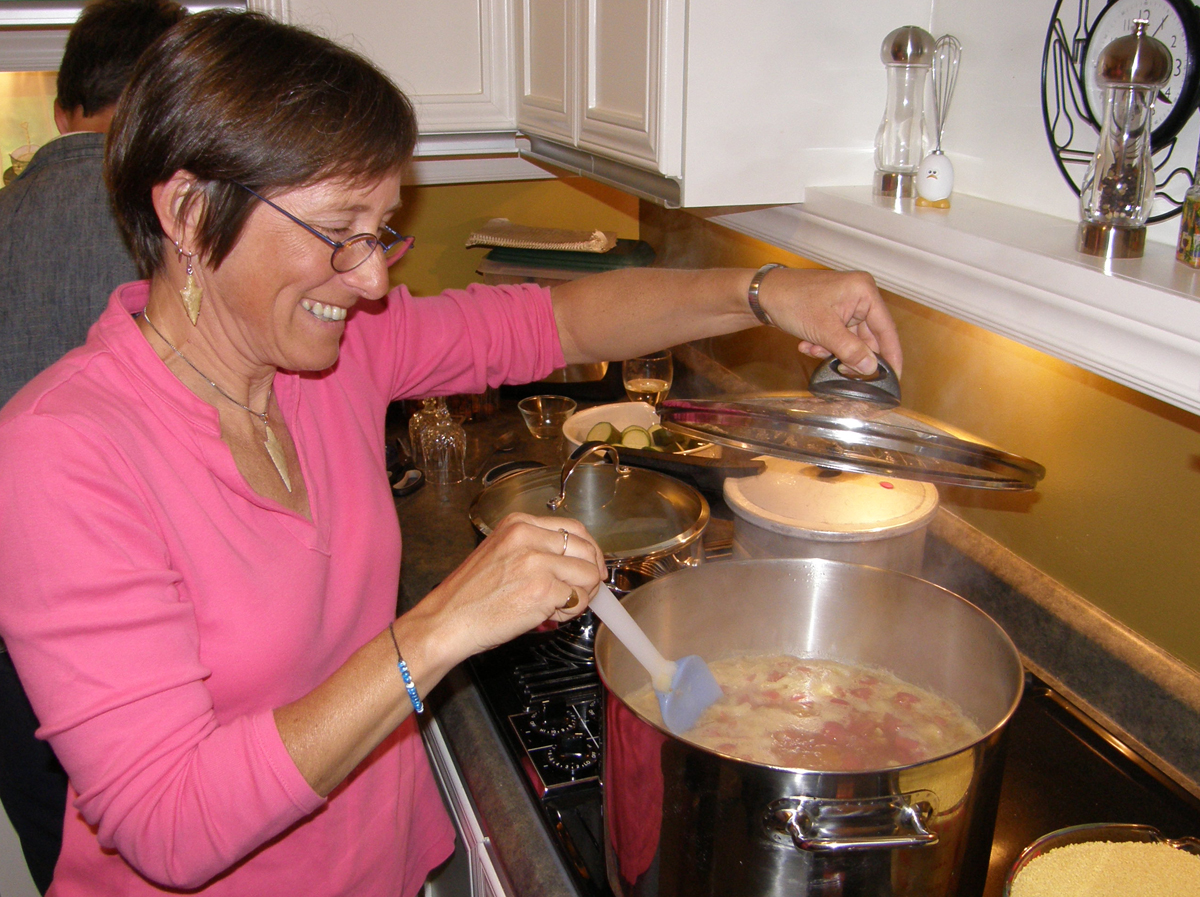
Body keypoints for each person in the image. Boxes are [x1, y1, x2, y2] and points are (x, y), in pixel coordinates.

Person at [0, 10, 903, 897]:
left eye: (380, 230)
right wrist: (441, 626)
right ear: (191, 213)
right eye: (340, 231)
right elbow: (170, 821)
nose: (372, 278)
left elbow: (559, 320)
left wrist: (764, 291)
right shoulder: (62, 453)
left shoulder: (333, 353)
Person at [0, 1, 186, 892]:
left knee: (66, 858)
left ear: (63, 108)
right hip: (154, 616)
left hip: (9, 637)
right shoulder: (175, 229)